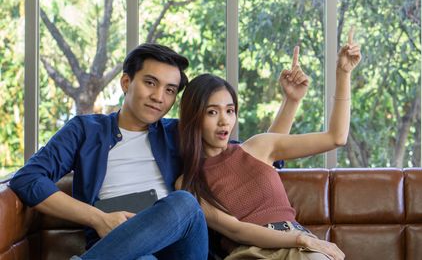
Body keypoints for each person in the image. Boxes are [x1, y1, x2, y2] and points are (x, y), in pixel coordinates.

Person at [9, 43, 307, 260]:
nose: (158, 97)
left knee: (185, 203)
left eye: (169, 90)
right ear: (127, 82)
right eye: (150, 83)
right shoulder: (86, 130)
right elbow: (28, 179)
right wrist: (99, 219)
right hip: (118, 242)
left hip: (180, 245)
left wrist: (290, 101)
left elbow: (251, 155)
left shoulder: (179, 133)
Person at [177, 28, 361, 260]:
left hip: (298, 246)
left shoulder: (257, 147)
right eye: (212, 112)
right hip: (250, 252)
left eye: (230, 110)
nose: (224, 120)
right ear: (194, 117)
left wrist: (343, 73)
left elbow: (336, 137)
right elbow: (234, 229)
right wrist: (300, 239)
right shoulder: (187, 183)